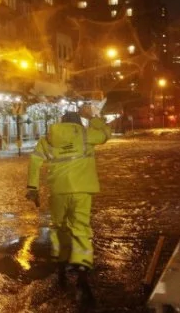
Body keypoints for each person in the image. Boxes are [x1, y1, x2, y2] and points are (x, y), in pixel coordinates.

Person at [26, 108, 111, 305]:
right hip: (82, 191)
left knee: (59, 228)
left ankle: (61, 267)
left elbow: (35, 160)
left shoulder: (49, 137)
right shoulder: (84, 134)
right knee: (80, 230)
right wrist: (94, 118)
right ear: (77, 124)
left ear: (61, 122)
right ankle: (82, 274)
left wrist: (33, 188)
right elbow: (106, 134)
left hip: (58, 191)